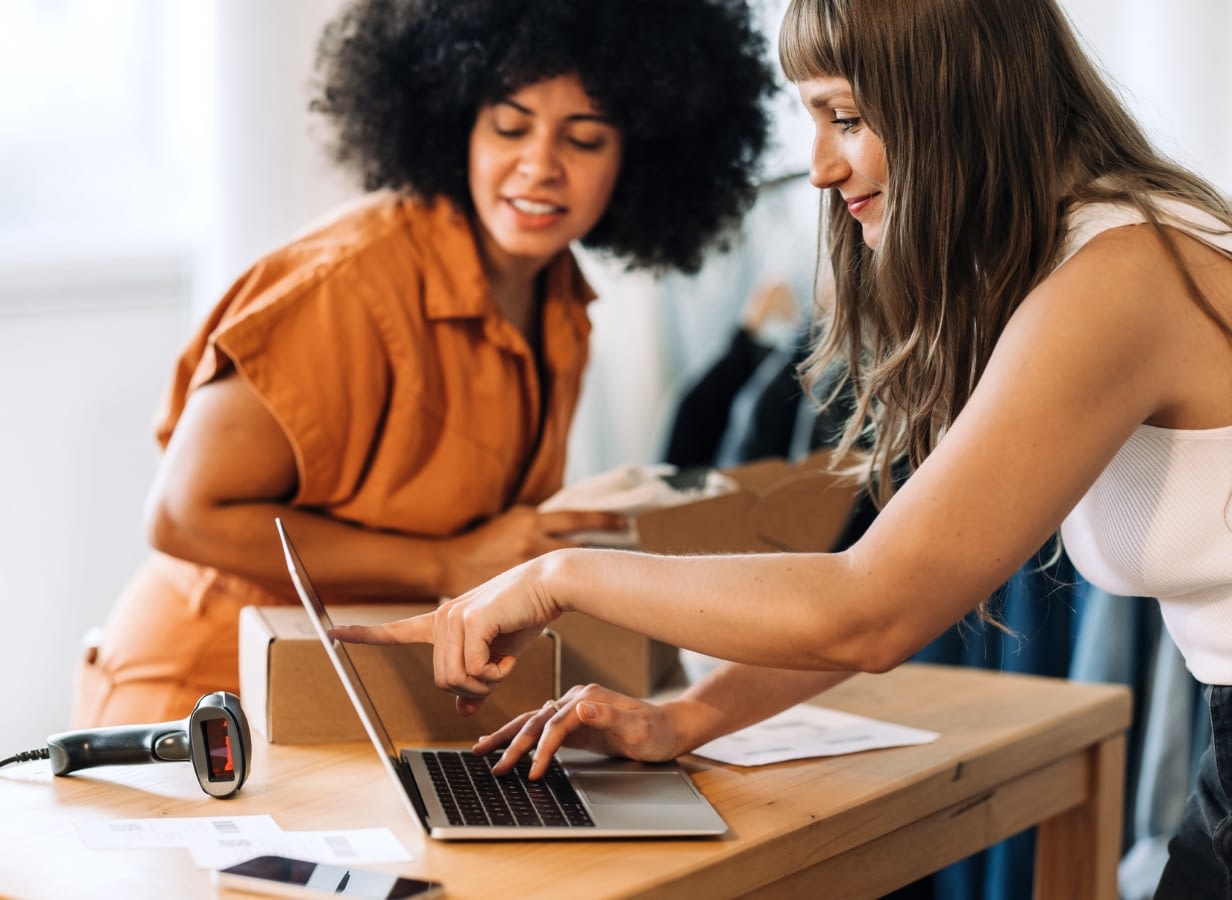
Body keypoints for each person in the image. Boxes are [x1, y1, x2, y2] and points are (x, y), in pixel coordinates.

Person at [335, 0, 1232, 894]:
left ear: (957, 99)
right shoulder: (1094, 254)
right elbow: (885, 580)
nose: (818, 168)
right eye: (812, 119)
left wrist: (556, 577)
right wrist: (683, 718)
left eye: (845, 117)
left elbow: (873, 610)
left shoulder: (1118, 279)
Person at [70, 0, 774, 727]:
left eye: (586, 139)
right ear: (457, 122)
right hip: (202, 701)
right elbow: (184, 516)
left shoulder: (561, 301)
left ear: (639, 158)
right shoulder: (345, 284)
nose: (540, 166)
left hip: (353, 704)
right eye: (509, 125)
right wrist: (449, 562)